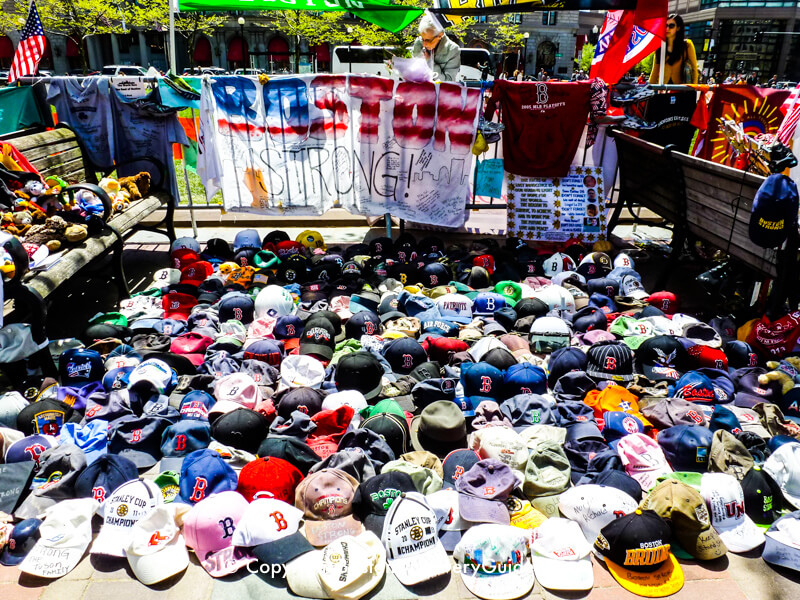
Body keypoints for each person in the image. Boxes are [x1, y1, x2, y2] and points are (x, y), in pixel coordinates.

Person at [649, 14, 698, 84]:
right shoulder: (660, 46)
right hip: (664, 89)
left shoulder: (687, 45)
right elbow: (654, 72)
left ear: (678, 28)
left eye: (671, 26)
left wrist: (694, 88)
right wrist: (649, 89)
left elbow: (694, 69)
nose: (667, 29)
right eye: (665, 26)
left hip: (682, 89)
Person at [411, 13, 461, 82]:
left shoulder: (453, 50)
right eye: (422, 39)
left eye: (428, 40)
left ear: (440, 36)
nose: (424, 44)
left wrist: (429, 61)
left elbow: (448, 82)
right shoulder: (419, 42)